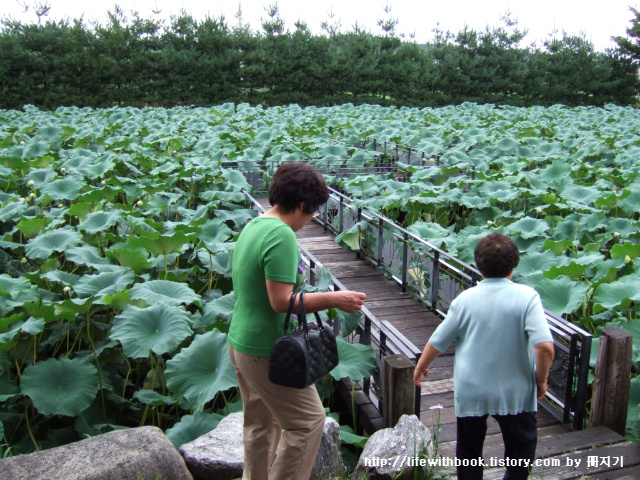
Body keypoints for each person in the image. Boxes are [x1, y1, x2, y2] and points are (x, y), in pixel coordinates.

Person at [228, 162, 367, 480]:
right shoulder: (281, 236)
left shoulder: (256, 224)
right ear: (303, 205)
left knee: (259, 425)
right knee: (307, 423)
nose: (311, 219)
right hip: (266, 349)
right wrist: (335, 299)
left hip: (240, 342)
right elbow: (281, 303)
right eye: (313, 211)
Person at [413, 232, 554, 480]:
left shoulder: (464, 299)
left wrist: (421, 365)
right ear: (514, 263)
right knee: (521, 451)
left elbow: (438, 340)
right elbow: (545, 347)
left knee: (469, 453)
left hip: (472, 389)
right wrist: (541, 380)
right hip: (515, 389)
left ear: (478, 265)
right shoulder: (527, 297)